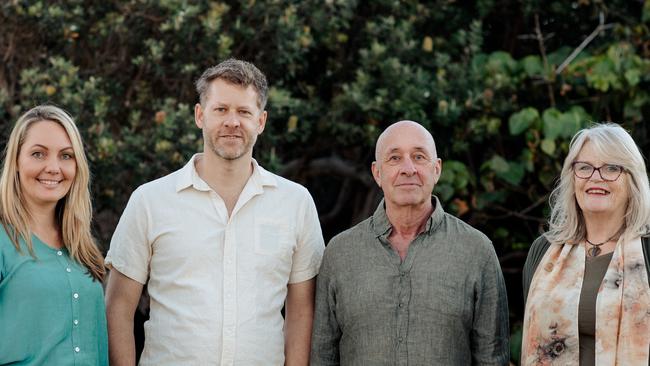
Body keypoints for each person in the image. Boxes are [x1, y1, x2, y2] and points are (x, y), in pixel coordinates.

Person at [104, 59, 325, 365]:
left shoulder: (296, 203)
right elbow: (118, 305)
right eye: (221, 109)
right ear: (200, 115)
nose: (232, 122)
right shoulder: (150, 201)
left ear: (260, 121)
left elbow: (302, 311)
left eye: (244, 112)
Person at [310, 120, 510, 365]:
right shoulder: (340, 254)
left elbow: (492, 358)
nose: (408, 168)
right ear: (377, 172)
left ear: (436, 169)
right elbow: (322, 356)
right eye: (394, 158)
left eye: (419, 156)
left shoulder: (477, 251)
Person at [521, 123, 650, 365]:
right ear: (572, 177)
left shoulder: (647, 253)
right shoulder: (543, 251)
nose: (595, 177)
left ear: (632, 180)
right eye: (585, 167)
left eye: (611, 168)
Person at [0, 105, 108, 365]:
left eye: (66, 156)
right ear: (16, 160)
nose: (53, 167)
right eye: (38, 154)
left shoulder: (82, 247)